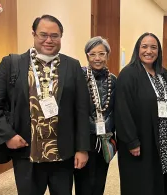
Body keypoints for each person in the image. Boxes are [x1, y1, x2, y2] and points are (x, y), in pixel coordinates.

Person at [0, 15, 90, 195]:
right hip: (26, 153)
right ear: (33, 34)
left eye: (54, 35)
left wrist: (82, 148)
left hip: (62, 154)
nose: (49, 40)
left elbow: (81, 110)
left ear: (61, 37)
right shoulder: (12, 64)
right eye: (43, 35)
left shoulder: (72, 66)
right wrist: (7, 136)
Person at [115, 32, 167, 195]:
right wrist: (131, 140)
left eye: (153, 47)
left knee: (160, 180)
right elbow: (122, 110)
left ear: (159, 51)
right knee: (141, 183)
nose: (149, 51)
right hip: (140, 140)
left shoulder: (163, 73)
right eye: (144, 46)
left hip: (162, 139)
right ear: (137, 49)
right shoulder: (128, 74)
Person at [74, 36, 117, 195]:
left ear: (107, 55)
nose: (97, 58)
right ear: (87, 56)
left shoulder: (113, 80)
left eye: (101, 54)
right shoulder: (79, 77)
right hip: (85, 138)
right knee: (83, 182)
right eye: (92, 54)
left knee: (100, 180)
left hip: (105, 138)